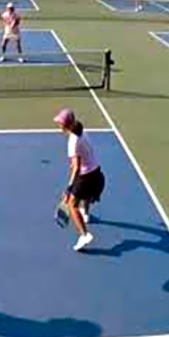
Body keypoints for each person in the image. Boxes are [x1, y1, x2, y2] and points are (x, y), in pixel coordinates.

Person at [53, 108, 106, 252]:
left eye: (61, 123)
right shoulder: (82, 131)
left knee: (72, 204)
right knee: (86, 195)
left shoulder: (72, 142)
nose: (59, 126)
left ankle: (84, 235)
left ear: (67, 125)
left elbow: (76, 168)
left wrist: (69, 187)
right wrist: (80, 161)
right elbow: (86, 151)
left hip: (85, 176)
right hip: (96, 172)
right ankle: (86, 214)